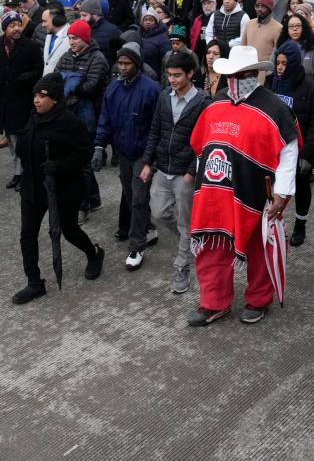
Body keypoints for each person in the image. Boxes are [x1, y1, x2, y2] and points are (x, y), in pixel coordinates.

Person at [185, 45, 298, 327]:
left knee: (259, 248)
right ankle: (213, 303)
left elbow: (289, 151)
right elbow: (202, 148)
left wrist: (282, 193)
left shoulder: (275, 108)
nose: (237, 79)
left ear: (255, 74)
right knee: (212, 247)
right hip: (214, 190)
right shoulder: (216, 103)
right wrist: (200, 182)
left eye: (244, 73)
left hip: (259, 193)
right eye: (233, 74)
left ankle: (259, 299)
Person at [12, 74, 106, 304]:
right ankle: (34, 283)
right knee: (27, 235)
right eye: (35, 95)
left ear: (54, 99)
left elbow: (84, 154)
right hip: (33, 188)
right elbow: (24, 147)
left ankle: (94, 254)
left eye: (42, 96)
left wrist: (58, 166)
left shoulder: (69, 122)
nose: (36, 100)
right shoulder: (33, 118)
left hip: (62, 189)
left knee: (69, 230)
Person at [139, 49, 210, 294]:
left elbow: (205, 143)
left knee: (184, 221)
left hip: (185, 174)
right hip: (162, 167)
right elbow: (155, 130)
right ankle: (190, 240)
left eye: (177, 75)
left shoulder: (203, 102)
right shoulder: (163, 97)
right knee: (158, 214)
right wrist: (148, 163)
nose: (172, 80)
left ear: (191, 74)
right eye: (169, 75)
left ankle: (182, 268)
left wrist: (192, 172)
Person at [93, 43, 161, 269]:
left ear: (137, 64)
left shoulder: (151, 89)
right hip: (123, 152)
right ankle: (148, 229)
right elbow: (105, 119)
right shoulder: (112, 89)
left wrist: (152, 158)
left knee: (139, 198)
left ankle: (137, 246)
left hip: (143, 153)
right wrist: (100, 147)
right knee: (131, 196)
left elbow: (157, 125)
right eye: (119, 63)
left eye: (127, 63)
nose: (122, 67)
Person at [268, 41, 314, 248]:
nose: (280, 67)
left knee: (301, 187)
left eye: (284, 63)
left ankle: (300, 224)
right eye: (278, 62)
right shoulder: (273, 82)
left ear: (294, 62)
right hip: (276, 146)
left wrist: (309, 155)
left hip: (300, 148)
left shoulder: (312, 87)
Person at [0, 10, 45, 190]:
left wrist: (25, 78)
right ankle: (19, 172)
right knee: (11, 139)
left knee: (22, 140)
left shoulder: (30, 46)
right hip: (4, 100)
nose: (17, 28)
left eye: (18, 25)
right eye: (12, 25)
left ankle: (25, 173)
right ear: (5, 28)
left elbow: (38, 70)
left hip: (23, 100)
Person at [277, 10, 314, 86]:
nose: (295, 29)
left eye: (298, 26)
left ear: (303, 27)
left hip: (308, 92)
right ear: (287, 29)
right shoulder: (281, 46)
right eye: (291, 26)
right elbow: (272, 70)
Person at [240, 0, 282, 71]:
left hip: (266, 73)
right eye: (257, 6)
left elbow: (277, 52)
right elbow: (242, 47)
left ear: (269, 9)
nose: (259, 9)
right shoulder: (249, 24)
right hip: (247, 70)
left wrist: (268, 71)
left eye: (263, 7)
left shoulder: (278, 28)